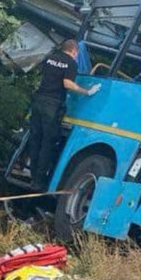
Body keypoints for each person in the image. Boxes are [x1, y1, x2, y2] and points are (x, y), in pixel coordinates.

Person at [27, 39, 99, 190]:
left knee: (35, 139)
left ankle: (32, 176)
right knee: (48, 142)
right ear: (74, 51)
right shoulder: (71, 63)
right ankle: (39, 181)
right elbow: (67, 84)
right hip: (52, 105)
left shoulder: (50, 58)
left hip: (39, 100)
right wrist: (87, 91)